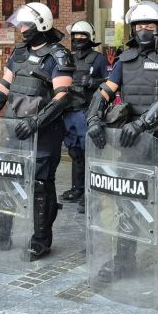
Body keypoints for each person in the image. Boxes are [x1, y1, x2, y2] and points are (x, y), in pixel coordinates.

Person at [86, 1, 158, 300]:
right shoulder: (125, 58)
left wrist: (145, 124)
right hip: (130, 142)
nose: (144, 30)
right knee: (127, 201)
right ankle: (124, 259)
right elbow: (106, 89)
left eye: (150, 25)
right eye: (139, 25)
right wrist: (94, 118)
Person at [0, 2, 74, 260]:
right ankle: (0, 234)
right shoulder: (18, 53)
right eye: (19, 23)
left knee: (41, 186)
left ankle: (41, 240)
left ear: (41, 24)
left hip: (43, 133)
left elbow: (62, 97)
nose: (21, 29)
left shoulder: (58, 55)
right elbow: (3, 86)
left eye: (26, 24)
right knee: (5, 182)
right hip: (13, 128)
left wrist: (35, 122)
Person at [61, 21, 107, 213]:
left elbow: (108, 83)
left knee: (89, 154)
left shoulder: (98, 58)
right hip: (69, 110)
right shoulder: (68, 58)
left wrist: (93, 81)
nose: (78, 39)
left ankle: (91, 193)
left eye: (82, 36)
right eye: (75, 35)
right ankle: (77, 188)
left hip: (86, 111)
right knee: (74, 152)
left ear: (90, 38)